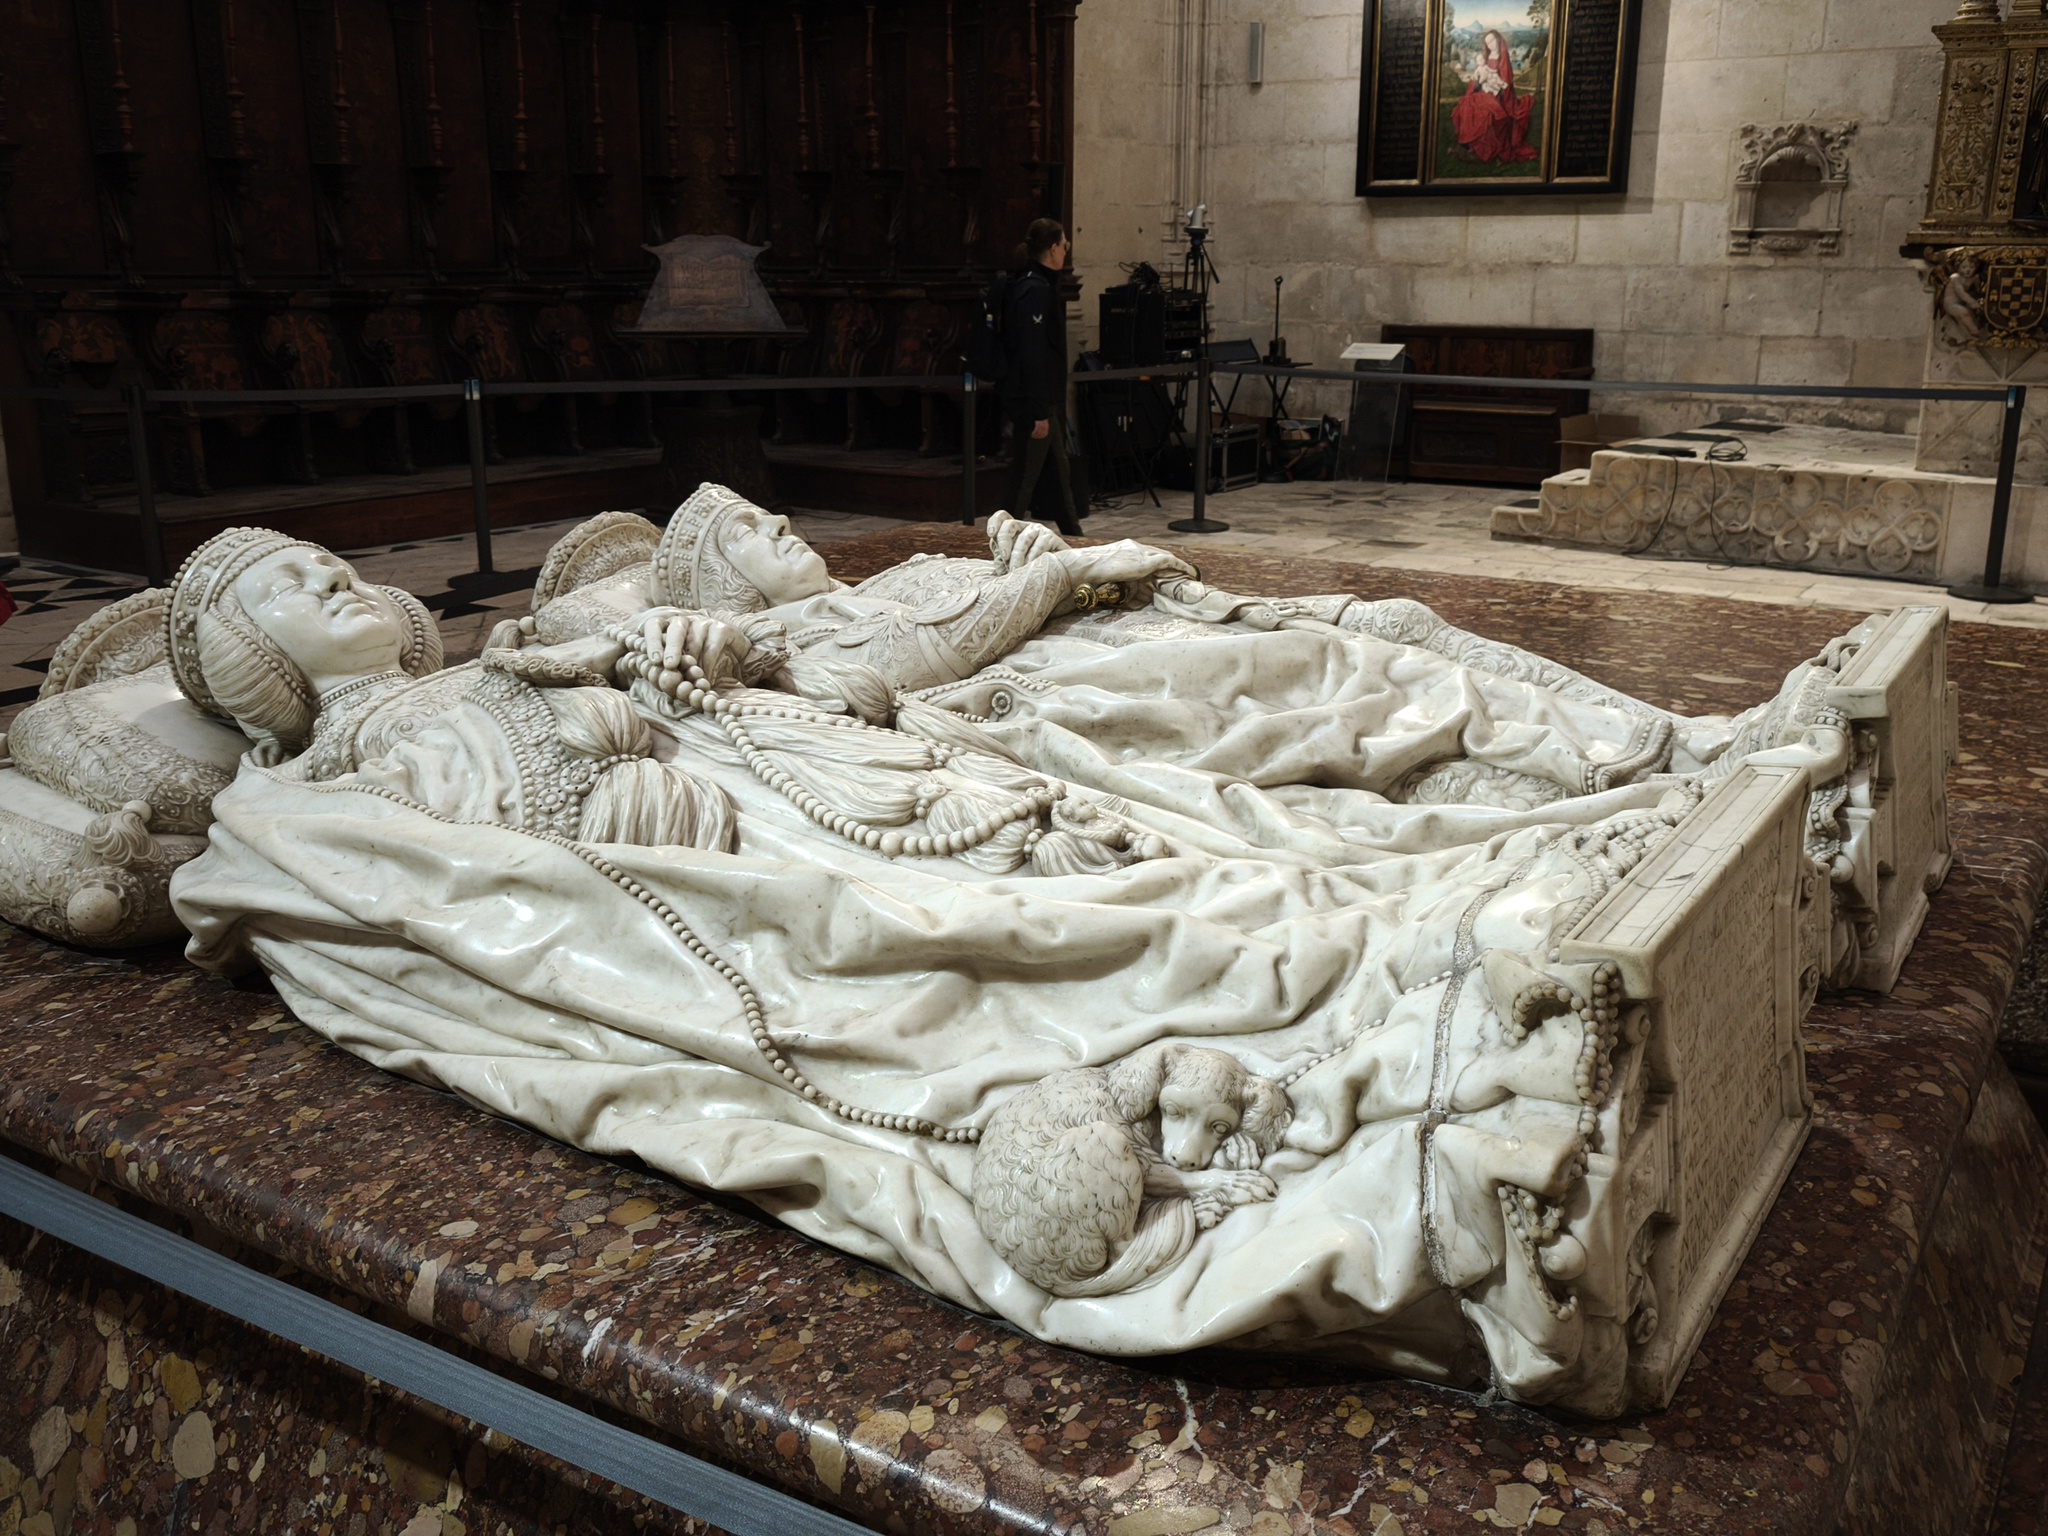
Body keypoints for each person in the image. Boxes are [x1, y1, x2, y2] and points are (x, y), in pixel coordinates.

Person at [1001, 218, 1084, 535]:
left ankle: (1074, 536)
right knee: (1023, 480)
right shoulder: (1034, 290)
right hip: (1035, 402)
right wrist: (1039, 412)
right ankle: (1000, 541)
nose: (1066, 251)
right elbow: (1032, 354)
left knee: (1059, 473)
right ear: (1052, 249)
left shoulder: (1038, 285)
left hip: (1044, 400)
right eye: (1064, 245)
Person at [1450, 30, 1536, 166]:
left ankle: (1481, 149)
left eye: (1492, 40)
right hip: (1485, 91)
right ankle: (1469, 144)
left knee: (1486, 113)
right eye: (1487, 42)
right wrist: (1477, 83)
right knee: (1467, 105)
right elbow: (1478, 75)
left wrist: (1494, 85)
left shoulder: (1503, 58)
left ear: (1498, 39)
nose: (1490, 44)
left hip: (1499, 95)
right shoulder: (1486, 57)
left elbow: (1506, 83)